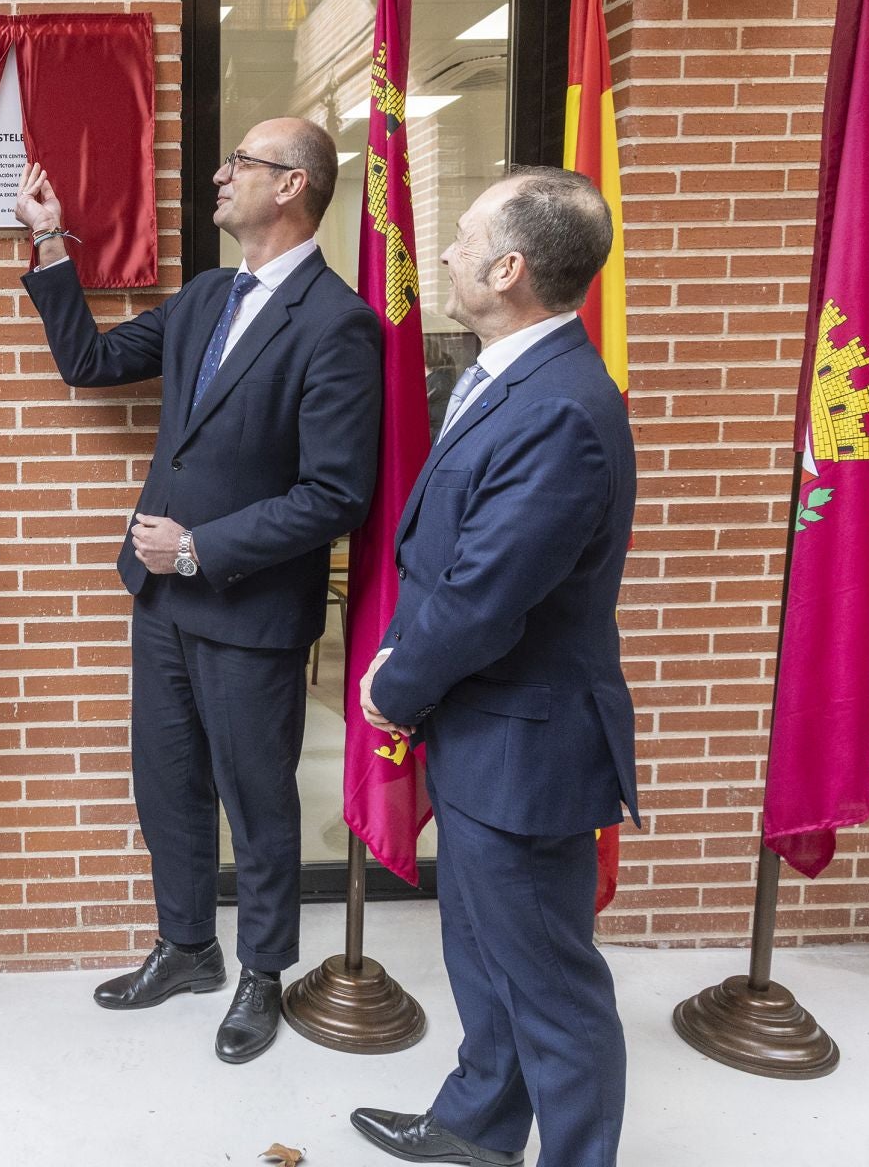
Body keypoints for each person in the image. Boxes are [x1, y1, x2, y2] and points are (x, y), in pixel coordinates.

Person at [14, 118, 382, 1063]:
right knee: (167, 786)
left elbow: (336, 494)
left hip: (248, 610)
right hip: (163, 602)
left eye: (242, 164)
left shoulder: (339, 324)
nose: (220, 176)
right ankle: (187, 949)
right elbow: (89, 363)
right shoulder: (209, 295)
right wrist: (50, 244)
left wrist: (199, 548)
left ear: (293, 185)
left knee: (258, 800)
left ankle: (263, 972)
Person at [352, 168, 637, 1167]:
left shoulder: (558, 406)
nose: (446, 251)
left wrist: (392, 682)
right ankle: (477, 1122)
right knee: (484, 954)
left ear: (510, 267)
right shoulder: (508, 374)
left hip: (529, 745)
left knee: (552, 985)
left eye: (465, 237)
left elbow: (484, 595)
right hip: (486, 732)